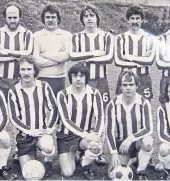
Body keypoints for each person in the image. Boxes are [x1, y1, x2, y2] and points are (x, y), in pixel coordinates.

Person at [69, 4, 113, 165]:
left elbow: (109, 58)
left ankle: (97, 149)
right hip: (83, 82)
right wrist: (95, 53)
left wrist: (85, 57)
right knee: (83, 113)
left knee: (100, 115)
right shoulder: (77, 37)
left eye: (91, 15)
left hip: (101, 80)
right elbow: (73, 56)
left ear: (97, 18)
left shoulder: (106, 36)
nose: (89, 18)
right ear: (82, 19)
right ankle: (81, 149)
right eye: (85, 16)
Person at [0, 2, 33, 161]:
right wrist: (18, 54)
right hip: (1, 79)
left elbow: (27, 55)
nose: (12, 20)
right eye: (9, 17)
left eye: (15, 17)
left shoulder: (27, 34)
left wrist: (7, 52)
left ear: (20, 17)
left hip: (19, 81)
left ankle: (19, 149)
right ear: (5, 17)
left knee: (21, 116)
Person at [7, 55, 58, 178]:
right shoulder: (13, 91)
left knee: (48, 147)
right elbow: (14, 117)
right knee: (27, 171)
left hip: (42, 132)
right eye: (23, 69)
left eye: (29, 69)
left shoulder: (44, 86)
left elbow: (54, 108)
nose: (26, 72)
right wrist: (30, 131)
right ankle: (23, 152)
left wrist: (49, 128)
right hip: (25, 136)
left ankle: (48, 162)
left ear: (35, 70)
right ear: (19, 71)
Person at [57, 63, 104, 180]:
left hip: (85, 138)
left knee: (95, 145)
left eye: (81, 76)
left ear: (86, 78)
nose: (78, 79)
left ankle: (85, 163)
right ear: (70, 77)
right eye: (75, 75)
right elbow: (66, 120)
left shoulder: (94, 93)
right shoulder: (62, 94)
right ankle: (72, 156)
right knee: (68, 172)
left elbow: (100, 117)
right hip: (66, 137)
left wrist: (95, 135)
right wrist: (85, 134)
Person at [106, 71, 153, 180]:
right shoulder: (113, 105)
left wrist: (131, 138)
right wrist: (113, 152)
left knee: (148, 142)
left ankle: (141, 170)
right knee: (112, 174)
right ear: (120, 87)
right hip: (123, 144)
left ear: (137, 86)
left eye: (131, 84)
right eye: (125, 85)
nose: (128, 88)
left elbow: (148, 128)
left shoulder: (144, 103)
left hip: (138, 142)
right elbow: (109, 130)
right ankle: (135, 159)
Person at [115, 5, 155, 101]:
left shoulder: (149, 38)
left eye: (138, 18)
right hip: (125, 76)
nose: (135, 21)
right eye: (132, 18)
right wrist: (142, 59)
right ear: (128, 20)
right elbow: (118, 61)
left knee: (144, 108)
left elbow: (149, 61)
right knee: (122, 108)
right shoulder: (121, 38)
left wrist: (128, 57)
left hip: (144, 77)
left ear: (142, 20)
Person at [33, 4, 72, 96]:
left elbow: (67, 56)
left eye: (53, 17)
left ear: (58, 19)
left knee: (57, 106)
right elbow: (36, 60)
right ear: (43, 19)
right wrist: (58, 60)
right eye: (47, 17)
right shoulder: (36, 36)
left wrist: (44, 54)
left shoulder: (67, 35)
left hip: (59, 78)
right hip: (41, 77)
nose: (50, 20)